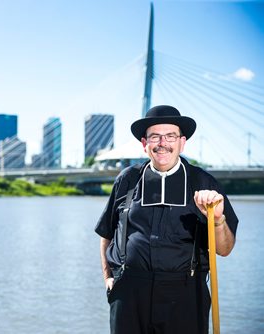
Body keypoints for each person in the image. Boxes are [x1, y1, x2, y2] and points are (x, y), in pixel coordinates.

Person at [95, 105, 238, 334]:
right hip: (129, 291)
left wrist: (218, 219)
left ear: (182, 142)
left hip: (186, 294)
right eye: (155, 136)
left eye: (170, 136)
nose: (163, 143)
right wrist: (108, 278)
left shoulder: (204, 182)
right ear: (145, 144)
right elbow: (107, 233)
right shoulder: (128, 179)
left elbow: (224, 249)